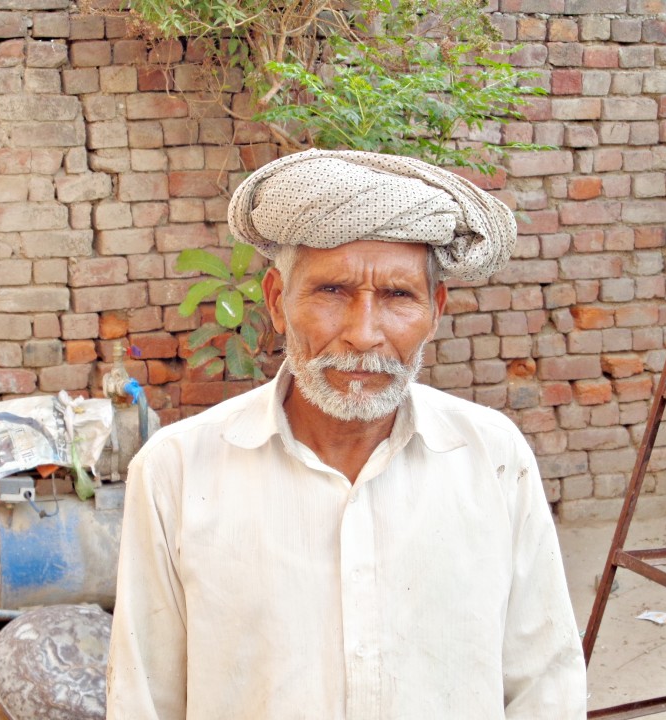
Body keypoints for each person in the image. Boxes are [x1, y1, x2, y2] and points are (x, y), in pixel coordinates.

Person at [107, 149, 587, 719]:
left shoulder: (492, 456)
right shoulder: (175, 472)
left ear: (435, 310)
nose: (363, 334)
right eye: (332, 291)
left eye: (397, 296)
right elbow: (143, 697)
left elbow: (544, 684)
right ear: (277, 303)